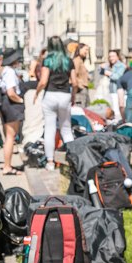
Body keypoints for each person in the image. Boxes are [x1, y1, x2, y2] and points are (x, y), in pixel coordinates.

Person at [35, 36, 76, 171]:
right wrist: (73, 97)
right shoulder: (68, 61)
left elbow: (43, 81)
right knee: (66, 128)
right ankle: (73, 158)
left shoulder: (48, 60)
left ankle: (50, 161)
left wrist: (36, 94)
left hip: (51, 95)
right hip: (65, 95)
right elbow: (74, 83)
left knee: (50, 128)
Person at [0, 48, 24, 175]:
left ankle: (7, 165)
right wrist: (20, 100)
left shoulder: (3, 71)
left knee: (8, 136)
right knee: (10, 137)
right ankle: (7, 166)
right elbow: (11, 92)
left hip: (5, 103)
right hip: (11, 104)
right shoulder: (9, 72)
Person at [103, 49, 126, 120]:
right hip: (112, 91)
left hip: (118, 91)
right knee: (113, 109)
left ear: (118, 57)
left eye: (113, 56)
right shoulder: (110, 66)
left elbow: (118, 77)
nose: (111, 58)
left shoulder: (121, 66)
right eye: (110, 56)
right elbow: (100, 71)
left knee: (118, 110)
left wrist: (109, 73)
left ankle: (119, 124)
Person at [72, 43, 90, 107]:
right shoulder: (77, 60)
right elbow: (73, 75)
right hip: (80, 91)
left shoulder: (81, 61)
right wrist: (80, 85)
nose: (87, 52)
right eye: (86, 50)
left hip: (83, 89)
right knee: (81, 109)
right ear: (80, 49)